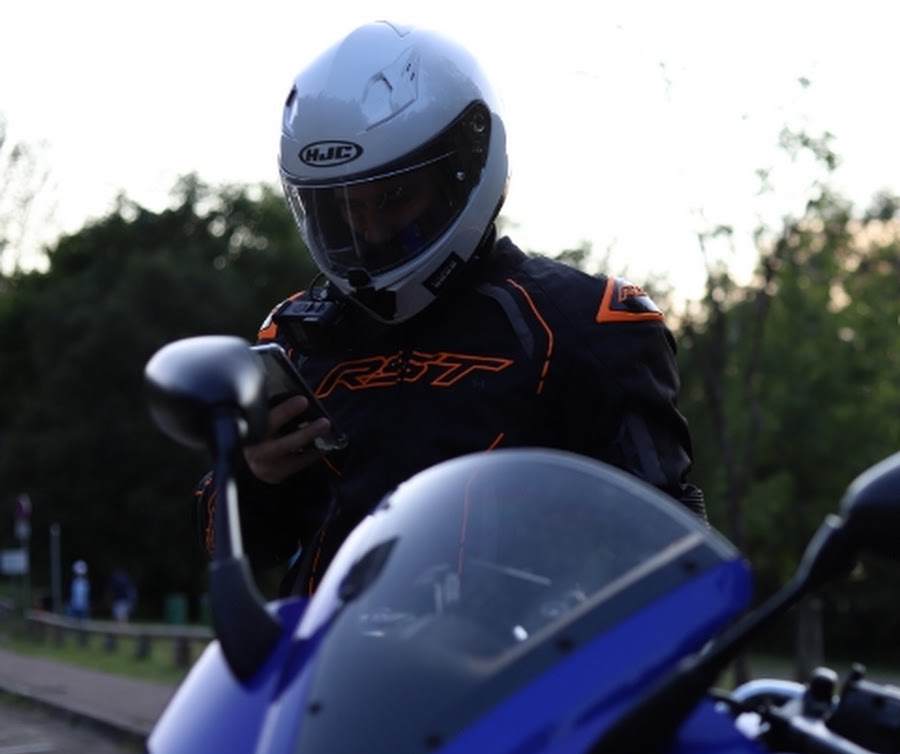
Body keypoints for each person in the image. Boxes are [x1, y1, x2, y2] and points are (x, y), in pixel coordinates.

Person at [193, 20, 706, 598]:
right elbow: (227, 545)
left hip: (511, 653)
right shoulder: (299, 337)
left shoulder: (579, 323)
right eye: (343, 206)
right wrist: (255, 476)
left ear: (462, 167)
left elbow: (667, 550)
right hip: (324, 649)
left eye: (392, 197)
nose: (369, 229)